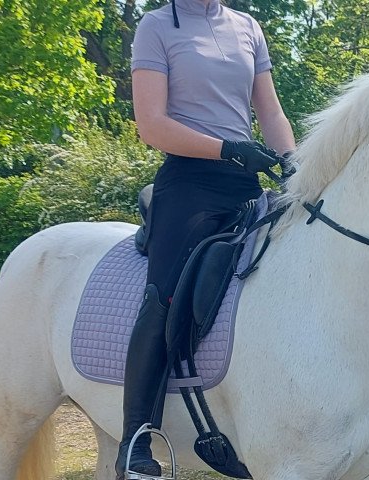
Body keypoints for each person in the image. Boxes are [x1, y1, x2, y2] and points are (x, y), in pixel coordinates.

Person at [115, 0, 296, 477]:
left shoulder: (247, 26)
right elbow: (151, 125)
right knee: (164, 294)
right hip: (188, 182)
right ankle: (136, 440)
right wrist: (227, 149)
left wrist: (294, 162)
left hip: (243, 181)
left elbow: (270, 110)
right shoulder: (155, 26)